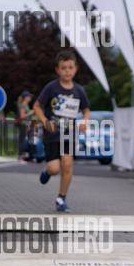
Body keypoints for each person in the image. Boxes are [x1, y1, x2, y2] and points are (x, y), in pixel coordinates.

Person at [33, 51, 90, 212]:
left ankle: (61, 198)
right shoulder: (51, 88)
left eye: (70, 67)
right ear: (58, 70)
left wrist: (85, 121)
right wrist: (45, 121)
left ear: (75, 69)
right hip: (52, 135)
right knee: (54, 169)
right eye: (63, 68)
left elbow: (86, 109)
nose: (67, 71)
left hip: (69, 134)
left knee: (67, 164)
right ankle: (47, 171)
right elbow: (37, 106)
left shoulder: (79, 90)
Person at [15, 91, 34, 160]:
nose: (30, 98)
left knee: (28, 140)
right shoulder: (23, 105)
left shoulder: (26, 105)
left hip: (26, 124)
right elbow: (22, 116)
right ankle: (20, 155)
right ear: (25, 98)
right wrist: (31, 112)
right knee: (22, 140)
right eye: (29, 96)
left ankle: (27, 155)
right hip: (23, 124)